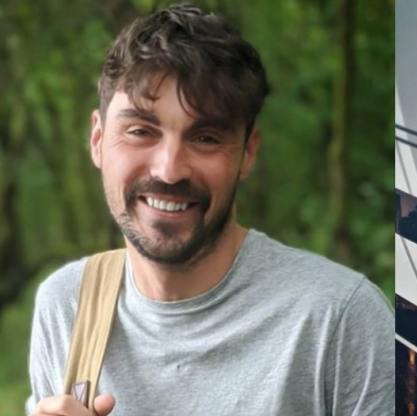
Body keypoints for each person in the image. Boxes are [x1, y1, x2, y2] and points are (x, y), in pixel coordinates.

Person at [26, 4, 393, 415]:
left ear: (248, 153)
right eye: (140, 131)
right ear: (97, 139)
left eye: (205, 137)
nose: (168, 169)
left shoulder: (337, 319)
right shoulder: (68, 307)